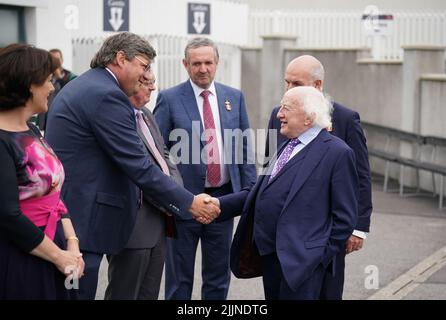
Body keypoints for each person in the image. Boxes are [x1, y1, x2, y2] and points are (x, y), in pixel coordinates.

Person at [45, 32, 220, 300]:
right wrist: (189, 203)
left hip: (83, 216)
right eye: (144, 66)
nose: (147, 75)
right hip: (84, 221)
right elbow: (138, 165)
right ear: (120, 58)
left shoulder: (92, 86)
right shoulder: (106, 95)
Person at [215, 86, 358, 299]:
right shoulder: (286, 146)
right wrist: (219, 205)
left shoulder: (338, 153)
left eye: (286, 108)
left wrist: (316, 257)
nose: (279, 114)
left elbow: (344, 218)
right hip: (271, 258)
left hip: (304, 264)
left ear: (309, 118)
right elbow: (261, 191)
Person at [154, 37, 257, 300]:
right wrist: (173, 197)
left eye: (208, 62)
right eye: (196, 63)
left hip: (222, 202)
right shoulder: (170, 98)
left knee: (218, 278)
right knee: (179, 281)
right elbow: (156, 152)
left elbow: (244, 149)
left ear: (217, 63)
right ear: (185, 64)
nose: (203, 69)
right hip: (184, 203)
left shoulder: (233, 97)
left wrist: (250, 194)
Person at [264, 55, 373, 300]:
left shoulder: (345, 118)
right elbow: (271, 168)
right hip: (285, 235)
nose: (289, 89)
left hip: (325, 230)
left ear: (317, 85)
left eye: (297, 84)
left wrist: (358, 227)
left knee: (326, 291)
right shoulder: (278, 115)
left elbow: (361, 176)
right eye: (287, 82)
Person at [0, 43, 85, 299]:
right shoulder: (2, 140)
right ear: (29, 84)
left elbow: (55, 196)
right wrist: (60, 257)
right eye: (48, 80)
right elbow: (8, 215)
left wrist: (72, 245)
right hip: (24, 254)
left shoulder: (33, 130)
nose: (52, 88)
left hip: (56, 248)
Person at [105, 72, 180, 300]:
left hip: (158, 221)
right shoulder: (117, 117)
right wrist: (170, 198)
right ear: (129, 84)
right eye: (147, 83)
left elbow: (165, 157)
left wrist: (175, 192)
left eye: (154, 82)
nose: (153, 88)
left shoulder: (146, 114)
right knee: (125, 293)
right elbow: (138, 169)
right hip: (133, 225)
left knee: (149, 294)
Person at [37, 49, 76, 131]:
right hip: (44, 118)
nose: (54, 63)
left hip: (60, 117)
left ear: (62, 60)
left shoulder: (70, 76)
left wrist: (59, 77)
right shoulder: (43, 75)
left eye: (57, 60)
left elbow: (70, 94)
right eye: (51, 59)